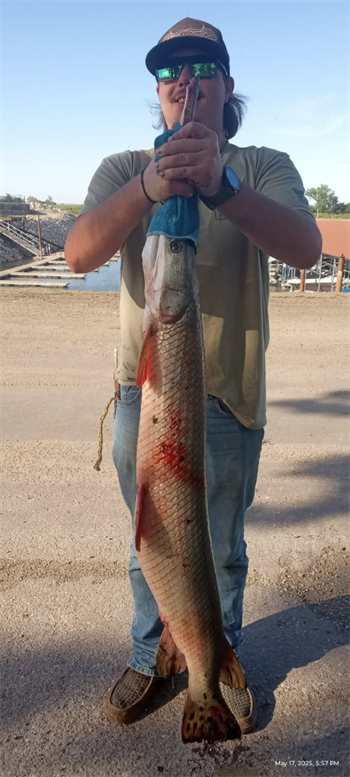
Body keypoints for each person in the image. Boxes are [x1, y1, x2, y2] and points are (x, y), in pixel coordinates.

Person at [65, 17, 322, 734]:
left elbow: (305, 246)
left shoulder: (266, 165)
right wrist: (150, 184)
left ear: (226, 86)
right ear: (158, 89)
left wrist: (221, 185)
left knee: (222, 547)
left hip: (230, 397)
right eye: (171, 69)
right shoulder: (122, 168)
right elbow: (79, 254)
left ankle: (216, 661)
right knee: (149, 536)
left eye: (203, 66)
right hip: (142, 398)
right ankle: (153, 656)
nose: (186, 80)